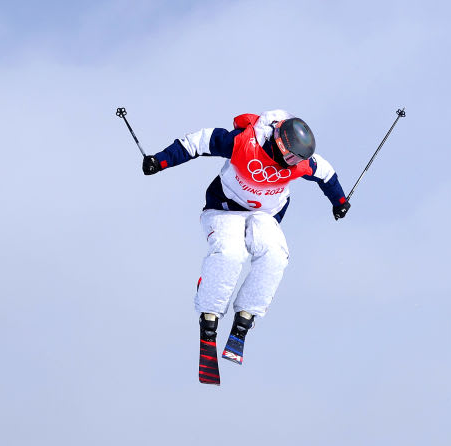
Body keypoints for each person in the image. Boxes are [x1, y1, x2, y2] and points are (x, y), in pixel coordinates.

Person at [142, 109, 349, 384]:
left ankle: (243, 322)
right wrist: (160, 161)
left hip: (264, 215)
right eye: (290, 157)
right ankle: (210, 318)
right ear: (278, 142)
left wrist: (340, 201)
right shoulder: (244, 142)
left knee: (275, 255)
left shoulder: (301, 164)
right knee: (230, 252)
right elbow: (199, 142)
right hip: (225, 208)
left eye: (298, 159)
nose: (292, 163)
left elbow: (326, 174)